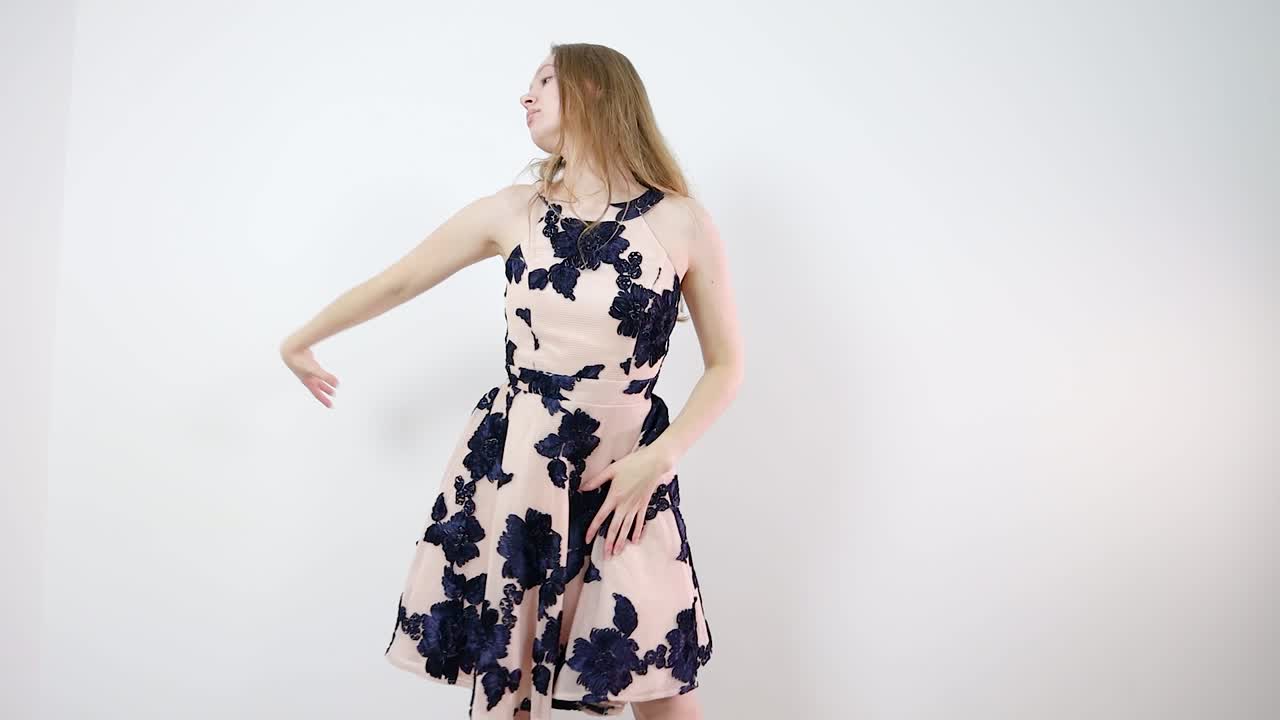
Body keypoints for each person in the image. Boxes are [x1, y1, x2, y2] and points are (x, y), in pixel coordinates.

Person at [279, 42, 743, 720]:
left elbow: (727, 363)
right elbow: (401, 278)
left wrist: (660, 457)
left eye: (545, 81)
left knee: (658, 677)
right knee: (512, 677)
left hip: (629, 473)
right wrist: (301, 339)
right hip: (523, 465)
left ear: (592, 90)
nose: (525, 97)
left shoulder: (681, 221)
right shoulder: (513, 210)